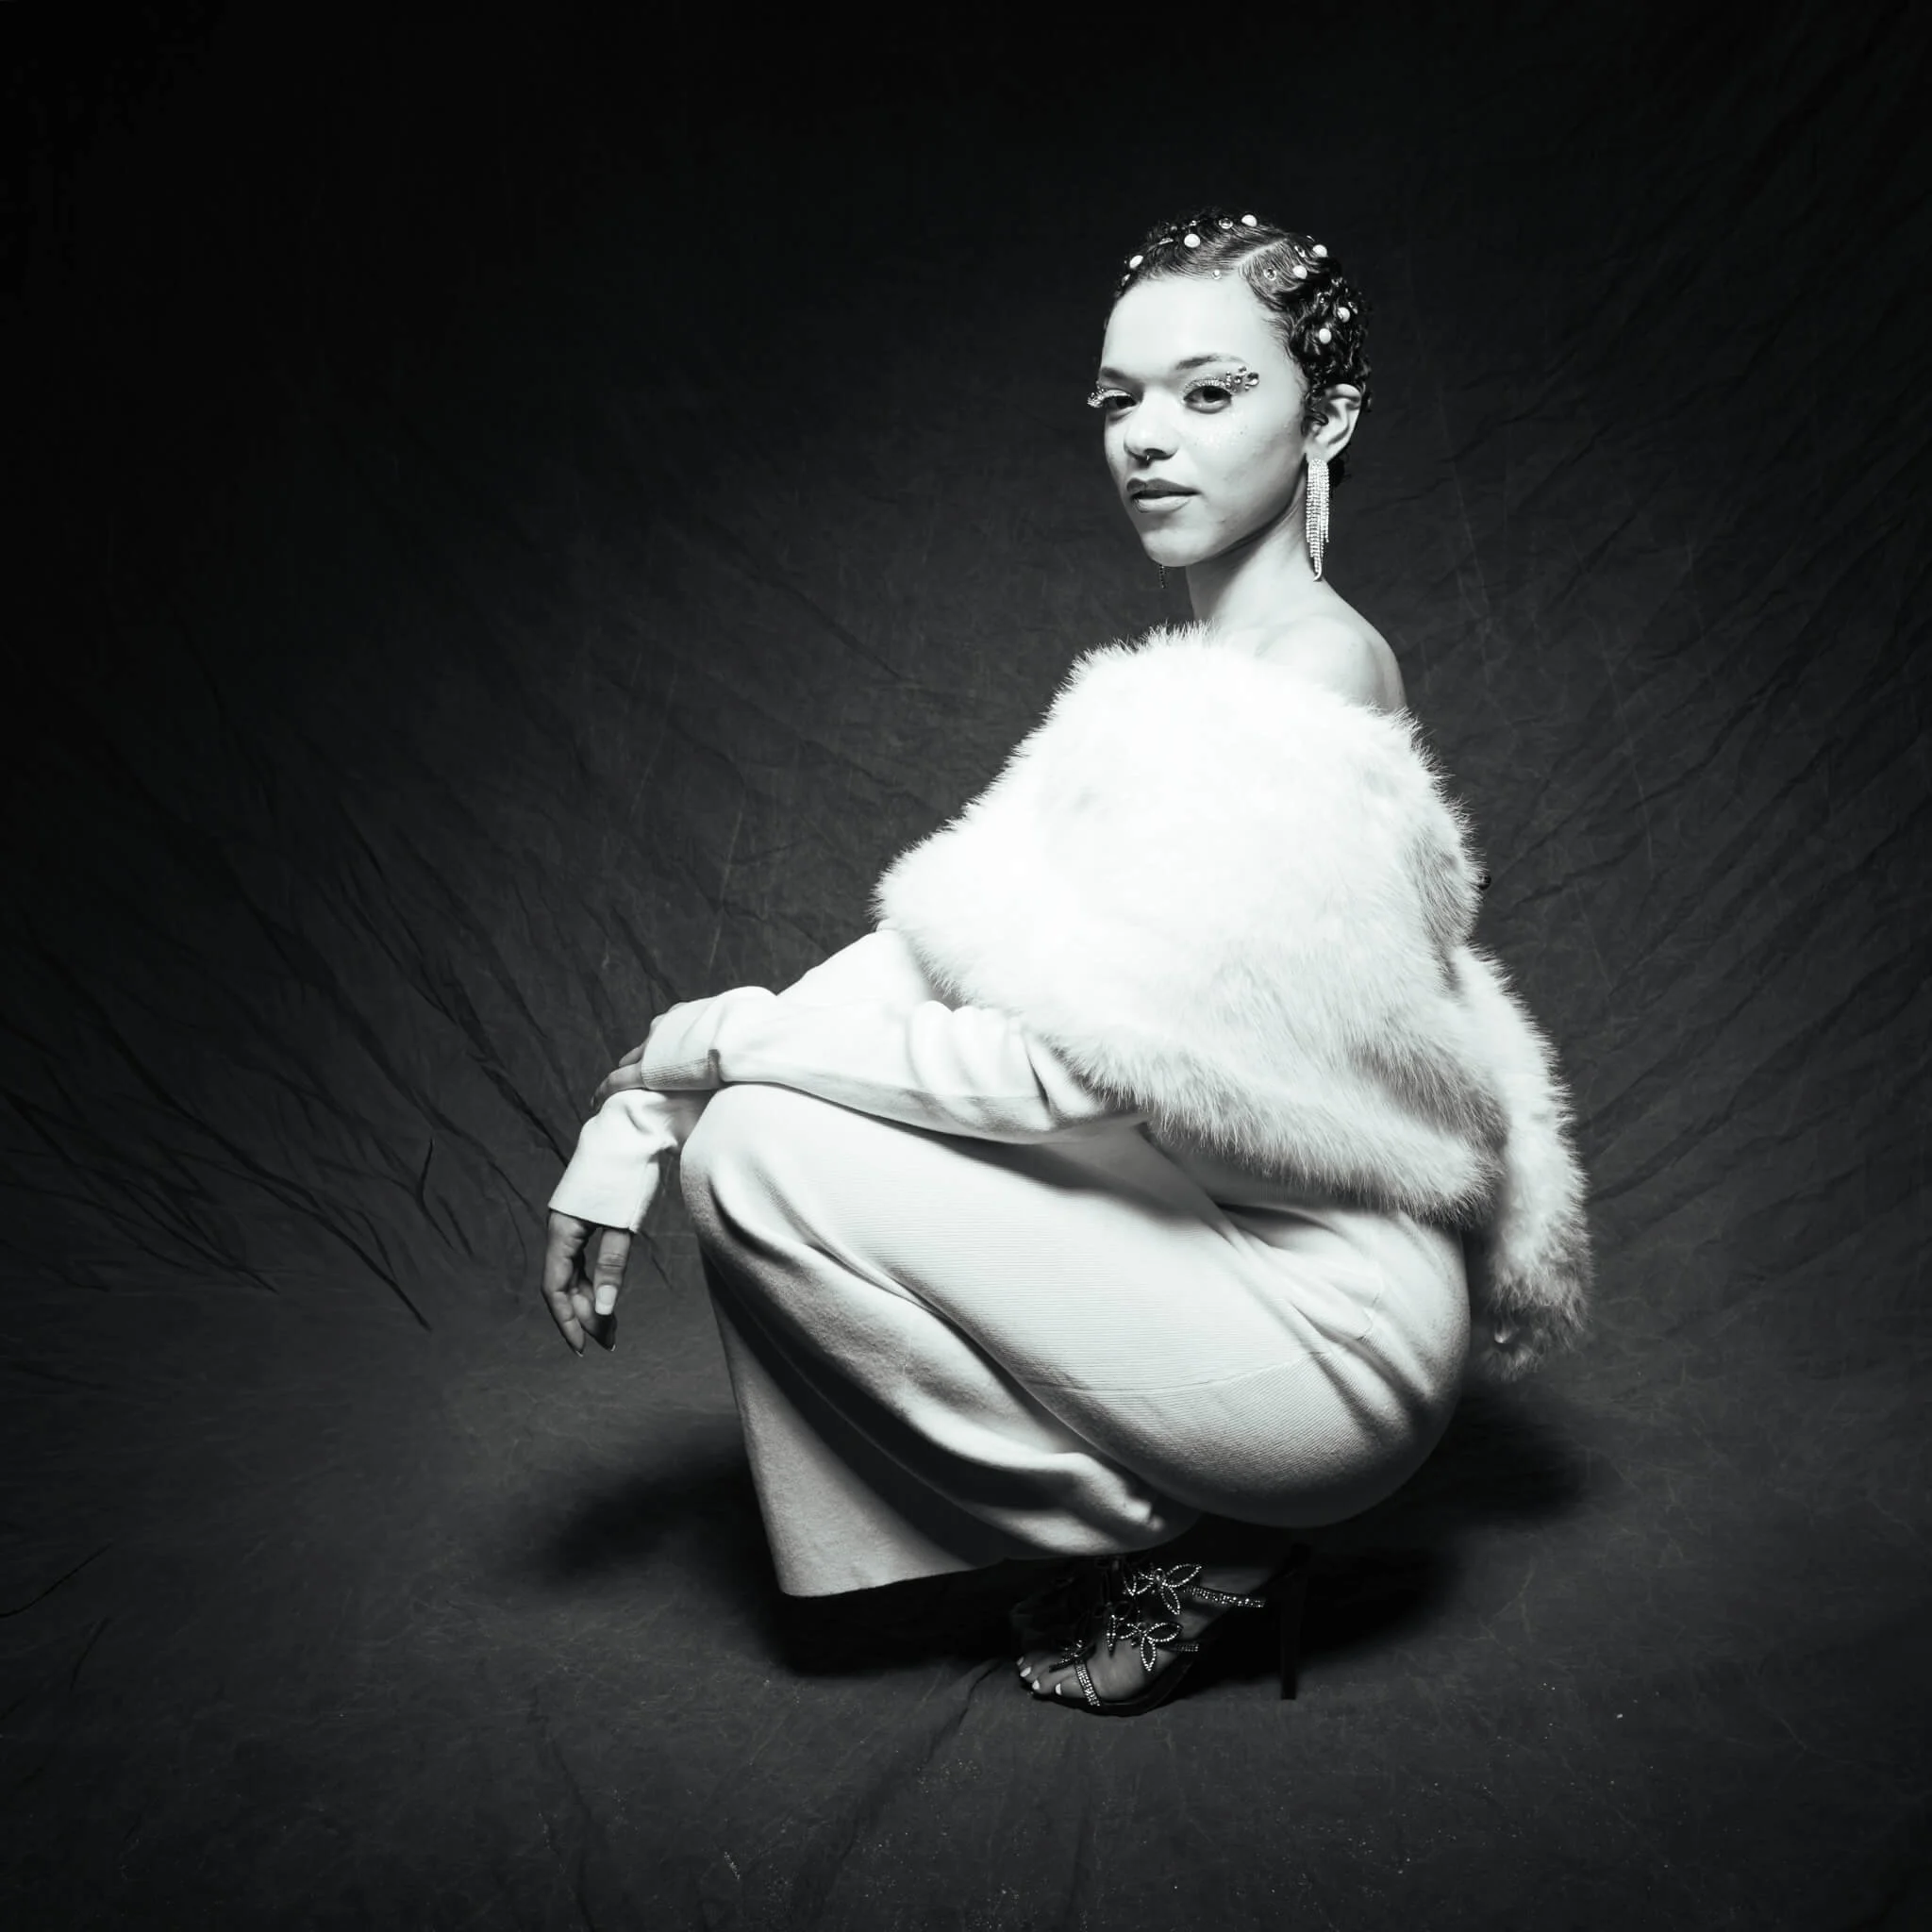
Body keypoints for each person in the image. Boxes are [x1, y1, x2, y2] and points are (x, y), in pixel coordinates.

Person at [540, 209, 1593, 1718]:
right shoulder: (1168, 695)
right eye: (1120, 400)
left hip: (1330, 1327)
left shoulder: (1304, 679)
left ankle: (1220, 1543)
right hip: (1249, 1258)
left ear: (1330, 416)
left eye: (1210, 392)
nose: (1146, 440)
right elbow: (935, 951)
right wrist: (643, 1103)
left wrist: (717, 1061)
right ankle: (1196, 1521)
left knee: (765, 1146)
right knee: (748, 1130)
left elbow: (1066, 1065)